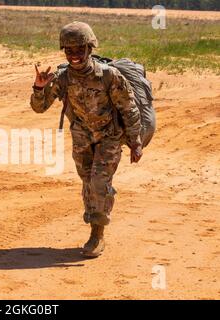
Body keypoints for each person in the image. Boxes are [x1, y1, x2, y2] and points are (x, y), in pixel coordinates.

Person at [30, 21, 143, 257]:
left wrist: (135, 141)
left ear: (89, 48)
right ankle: (94, 223)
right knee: (87, 183)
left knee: (99, 183)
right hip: (82, 137)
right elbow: (39, 108)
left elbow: (129, 108)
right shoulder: (62, 78)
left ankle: (97, 235)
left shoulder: (109, 76)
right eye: (69, 51)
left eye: (79, 49)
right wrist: (39, 88)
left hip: (109, 136)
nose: (74, 55)